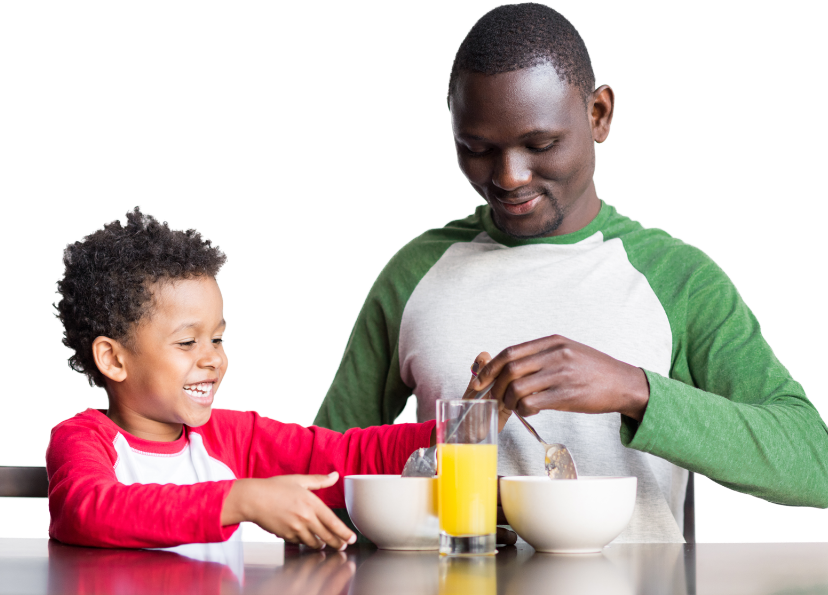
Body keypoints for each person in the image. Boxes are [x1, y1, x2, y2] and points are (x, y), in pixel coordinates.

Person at [311, 2, 828, 543]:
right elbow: (316, 479)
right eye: (478, 149)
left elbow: (814, 464)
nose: (509, 177)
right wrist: (434, 484)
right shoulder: (415, 272)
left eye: (540, 145)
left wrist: (635, 391)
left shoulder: (677, 278)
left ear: (599, 115)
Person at [47, 205, 436, 550]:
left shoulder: (236, 436)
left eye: (217, 338)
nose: (213, 358)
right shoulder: (83, 438)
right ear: (113, 359)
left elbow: (347, 457)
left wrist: (459, 429)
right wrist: (240, 499)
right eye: (187, 342)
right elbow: (86, 510)